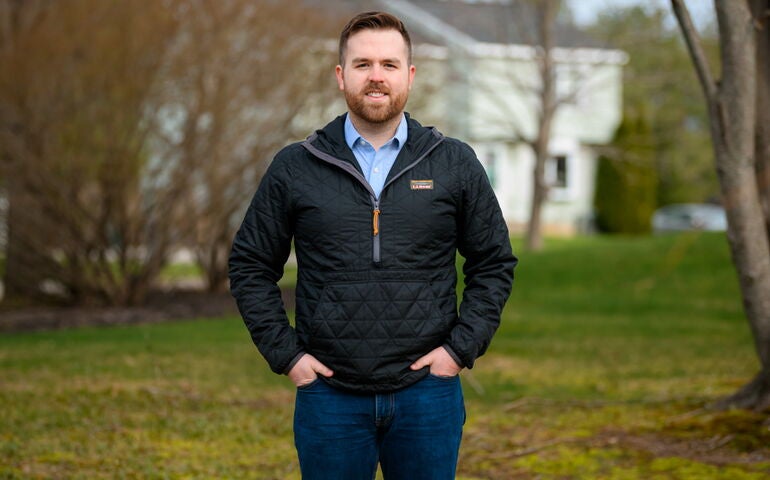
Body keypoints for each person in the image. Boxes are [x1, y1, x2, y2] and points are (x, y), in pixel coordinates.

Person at [229, 10, 516, 479]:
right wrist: (288, 357)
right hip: (329, 397)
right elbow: (250, 265)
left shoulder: (453, 163)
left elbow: (494, 262)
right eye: (363, 65)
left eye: (389, 64)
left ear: (410, 75)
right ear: (341, 76)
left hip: (428, 394)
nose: (376, 77)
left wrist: (459, 350)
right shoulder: (297, 166)